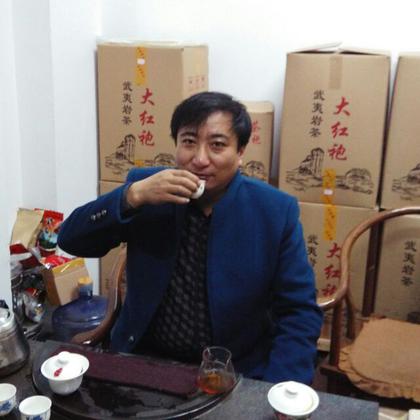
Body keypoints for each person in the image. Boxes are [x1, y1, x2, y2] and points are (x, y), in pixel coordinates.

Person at [58, 91, 323, 384]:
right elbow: (71, 240)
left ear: (241, 152)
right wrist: (132, 196)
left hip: (232, 371)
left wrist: (279, 390)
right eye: (188, 142)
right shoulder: (147, 189)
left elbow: (299, 311)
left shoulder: (273, 211)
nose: (199, 159)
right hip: (145, 360)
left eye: (217, 145)